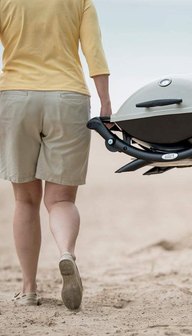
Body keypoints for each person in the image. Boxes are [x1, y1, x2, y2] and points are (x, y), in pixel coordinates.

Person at [0, 0, 112, 310]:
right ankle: (66, 253)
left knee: (25, 200)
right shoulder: (80, 1)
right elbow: (95, 54)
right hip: (68, 99)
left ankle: (29, 288)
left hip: (16, 97)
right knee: (61, 200)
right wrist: (105, 102)